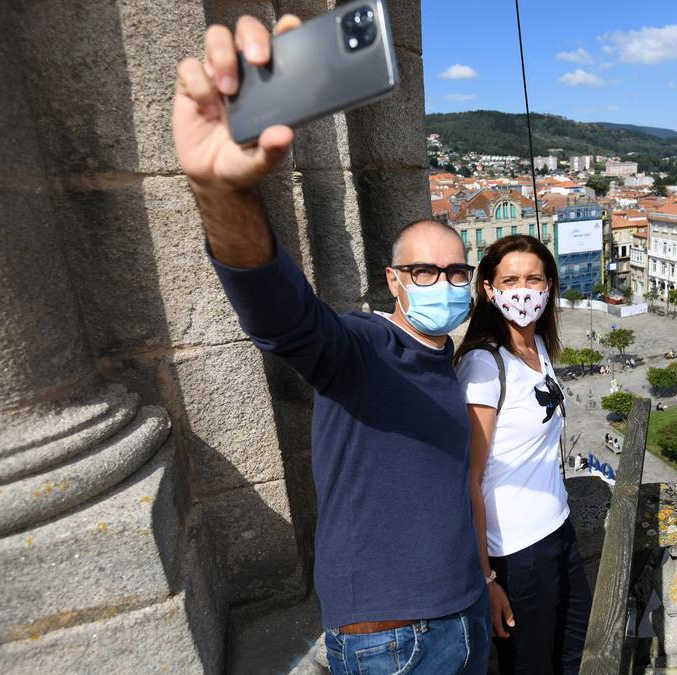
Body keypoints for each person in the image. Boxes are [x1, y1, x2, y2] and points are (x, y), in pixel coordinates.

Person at [171, 15, 489, 673]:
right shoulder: (364, 346)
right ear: (394, 281)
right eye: (426, 271)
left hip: (465, 617)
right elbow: (284, 317)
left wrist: (483, 585)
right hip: (392, 641)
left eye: (458, 271)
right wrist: (222, 193)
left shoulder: (444, 363)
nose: (446, 283)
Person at [454, 235, 591, 674]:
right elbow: (467, 478)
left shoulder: (539, 348)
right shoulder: (483, 365)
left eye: (534, 279)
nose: (523, 290)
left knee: (578, 651)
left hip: (559, 530)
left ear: (549, 286)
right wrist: (486, 576)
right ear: (489, 290)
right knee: (531, 667)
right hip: (515, 553)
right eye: (510, 279)